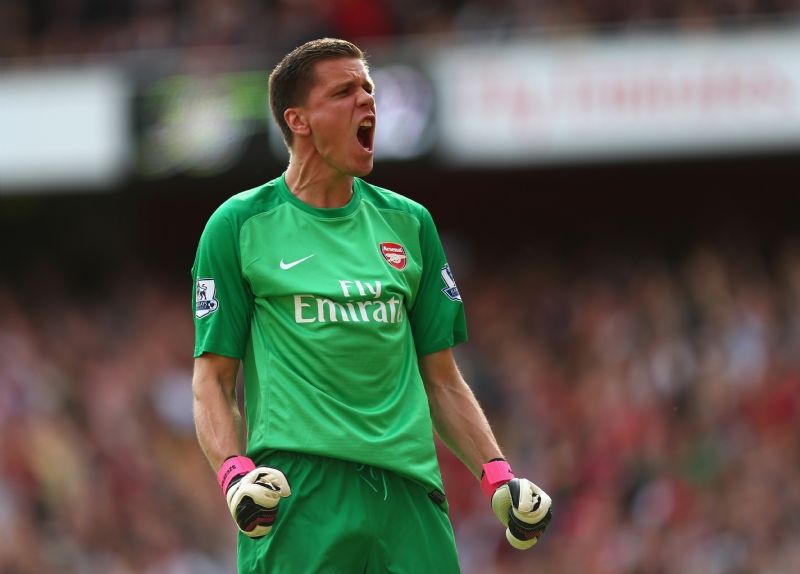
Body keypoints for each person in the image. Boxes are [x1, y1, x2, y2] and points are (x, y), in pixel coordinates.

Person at [191, 37, 552, 573]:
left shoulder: (410, 224)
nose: (366, 100)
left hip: (410, 494)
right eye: (343, 92)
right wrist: (234, 474)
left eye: (368, 89)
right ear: (298, 120)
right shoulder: (239, 225)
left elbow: (442, 379)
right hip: (299, 493)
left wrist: (498, 475)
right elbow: (212, 382)